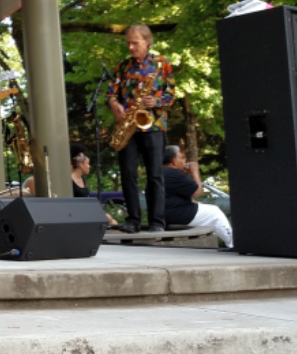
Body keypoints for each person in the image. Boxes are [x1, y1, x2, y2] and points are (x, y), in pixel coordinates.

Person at [108, 24, 176, 234]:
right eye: (128, 42)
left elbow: (171, 95)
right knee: (128, 174)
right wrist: (114, 104)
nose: (131, 47)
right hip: (128, 126)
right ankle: (133, 220)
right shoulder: (123, 66)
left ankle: (157, 221)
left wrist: (155, 101)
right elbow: (111, 92)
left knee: (155, 175)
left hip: (153, 125)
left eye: (135, 43)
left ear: (147, 42)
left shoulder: (162, 64)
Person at [163, 144, 233, 248]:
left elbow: (169, 197)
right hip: (174, 214)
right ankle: (233, 243)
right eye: (182, 158)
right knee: (214, 212)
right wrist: (195, 171)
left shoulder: (160, 172)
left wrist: (188, 202)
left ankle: (217, 241)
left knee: (202, 210)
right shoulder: (175, 173)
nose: (184, 161)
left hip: (162, 213)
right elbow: (197, 192)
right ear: (174, 161)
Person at [70, 144, 117, 225]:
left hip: (86, 211)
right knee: (109, 219)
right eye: (87, 163)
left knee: (112, 221)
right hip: (76, 213)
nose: (89, 166)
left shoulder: (83, 180)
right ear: (80, 165)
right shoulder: (70, 180)